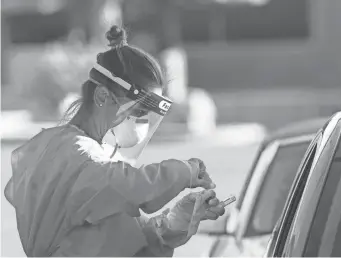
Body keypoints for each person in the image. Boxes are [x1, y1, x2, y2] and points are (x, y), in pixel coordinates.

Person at [4, 25, 225, 257]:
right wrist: (184, 171)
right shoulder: (67, 152)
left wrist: (174, 223)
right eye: (138, 112)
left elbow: (122, 238)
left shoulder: (101, 155)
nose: (141, 122)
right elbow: (130, 186)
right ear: (102, 96)